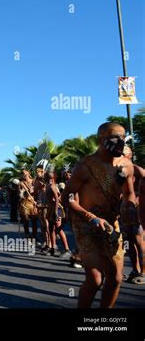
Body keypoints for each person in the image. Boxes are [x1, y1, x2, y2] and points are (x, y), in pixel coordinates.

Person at [62, 122, 134, 308]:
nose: (120, 141)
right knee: (95, 280)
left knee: (116, 277)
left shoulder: (126, 165)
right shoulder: (85, 166)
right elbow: (67, 197)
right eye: (114, 137)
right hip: (86, 226)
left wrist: (130, 208)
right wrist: (90, 217)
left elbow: (129, 194)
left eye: (123, 136)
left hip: (111, 225)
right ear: (101, 139)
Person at [121, 145, 144, 284]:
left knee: (139, 241)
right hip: (124, 210)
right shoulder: (119, 171)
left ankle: (144, 271)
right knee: (128, 242)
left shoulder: (136, 169)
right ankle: (135, 269)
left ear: (130, 154)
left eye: (124, 152)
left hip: (136, 210)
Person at [45, 170, 71, 258]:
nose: (48, 178)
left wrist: (56, 211)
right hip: (51, 208)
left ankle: (67, 249)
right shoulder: (48, 185)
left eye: (50, 177)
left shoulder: (52, 186)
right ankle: (53, 248)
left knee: (58, 228)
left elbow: (57, 198)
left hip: (56, 209)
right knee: (51, 228)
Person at [19, 169, 38, 239]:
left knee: (34, 221)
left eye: (25, 173)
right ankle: (27, 234)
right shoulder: (21, 183)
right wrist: (23, 193)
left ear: (29, 173)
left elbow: (38, 192)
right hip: (25, 204)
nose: (24, 175)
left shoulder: (34, 181)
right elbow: (19, 194)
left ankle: (34, 235)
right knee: (26, 221)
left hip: (33, 203)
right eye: (22, 174)